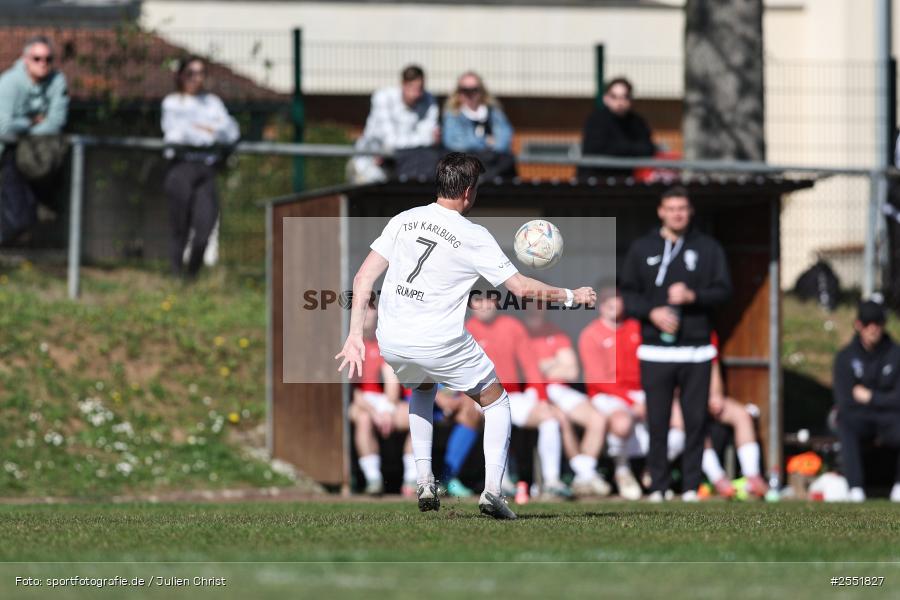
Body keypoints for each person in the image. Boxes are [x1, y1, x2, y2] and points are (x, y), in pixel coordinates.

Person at [335, 152, 596, 519]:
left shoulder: (404, 219)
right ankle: (493, 492)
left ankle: (424, 479)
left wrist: (353, 336)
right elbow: (521, 289)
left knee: (423, 388)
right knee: (496, 401)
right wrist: (571, 295)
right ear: (469, 191)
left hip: (392, 338)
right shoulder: (474, 235)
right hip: (438, 340)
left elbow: (363, 278)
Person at [621, 186, 732, 502]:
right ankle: (659, 486)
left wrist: (693, 296)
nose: (677, 214)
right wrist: (652, 313)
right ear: (661, 211)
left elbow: (724, 290)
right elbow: (628, 294)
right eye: (671, 208)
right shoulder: (642, 248)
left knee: (695, 421)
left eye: (682, 208)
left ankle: (691, 487)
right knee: (657, 421)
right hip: (655, 351)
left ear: (690, 211)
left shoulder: (708, 248)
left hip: (697, 350)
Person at [466, 291, 573, 499]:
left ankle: (552, 482)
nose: (485, 304)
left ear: (497, 302)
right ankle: (500, 483)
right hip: (478, 397)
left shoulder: (512, 326)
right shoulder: (465, 330)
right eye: (478, 300)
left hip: (511, 396)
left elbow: (530, 366)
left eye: (489, 299)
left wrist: (542, 399)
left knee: (549, 418)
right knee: (495, 417)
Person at [522, 301, 614, 497]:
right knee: (559, 418)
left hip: (560, 389)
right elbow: (523, 371)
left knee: (598, 418)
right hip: (531, 391)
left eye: (541, 303)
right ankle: (583, 476)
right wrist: (553, 363)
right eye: (532, 303)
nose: (537, 308)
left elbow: (571, 371)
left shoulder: (556, 332)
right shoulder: (519, 331)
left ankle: (583, 477)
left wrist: (543, 366)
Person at [161, 55, 239, 278]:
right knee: (180, 226)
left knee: (205, 227)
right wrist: (210, 130)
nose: (196, 78)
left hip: (206, 168)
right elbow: (178, 134)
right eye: (191, 73)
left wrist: (204, 130)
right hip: (182, 167)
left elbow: (231, 132)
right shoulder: (173, 103)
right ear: (181, 75)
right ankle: (176, 276)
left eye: (201, 73)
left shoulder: (212, 102)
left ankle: (191, 276)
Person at [578, 284, 650, 500]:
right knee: (621, 422)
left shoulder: (636, 328)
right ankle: (622, 470)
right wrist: (631, 401)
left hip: (638, 392)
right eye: (607, 299)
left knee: (677, 418)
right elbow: (598, 380)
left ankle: (654, 467)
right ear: (600, 305)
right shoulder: (591, 334)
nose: (613, 303)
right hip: (608, 394)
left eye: (617, 298)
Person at [0, 35, 69, 245]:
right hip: (8, 155)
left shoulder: (57, 81)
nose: (43, 63)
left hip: (37, 156)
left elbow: (56, 121)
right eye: (37, 58)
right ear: (26, 59)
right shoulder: (10, 83)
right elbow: (4, 128)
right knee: (17, 216)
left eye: (48, 59)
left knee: (32, 215)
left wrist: (23, 129)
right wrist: (31, 122)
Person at [832, 299, 900, 503]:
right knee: (845, 421)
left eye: (878, 323)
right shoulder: (845, 357)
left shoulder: (896, 354)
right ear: (858, 325)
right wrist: (885, 398)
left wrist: (870, 397)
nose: (873, 328)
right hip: (859, 416)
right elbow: (845, 400)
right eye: (868, 323)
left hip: (890, 418)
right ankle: (855, 488)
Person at [350, 302, 417, 496]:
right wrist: (374, 413)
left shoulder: (386, 343)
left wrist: (387, 410)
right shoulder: (351, 345)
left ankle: (411, 480)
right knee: (363, 419)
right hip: (363, 403)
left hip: (387, 401)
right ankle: (373, 479)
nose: (366, 315)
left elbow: (391, 383)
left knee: (416, 417)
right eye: (363, 311)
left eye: (370, 310)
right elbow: (353, 392)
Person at [696, 331, 768, 498]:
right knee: (694, 421)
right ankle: (718, 479)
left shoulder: (707, 333)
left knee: (742, 415)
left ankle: (752, 476)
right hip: (684, 400)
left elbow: (713, 366)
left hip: (707, 399)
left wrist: (716, 396)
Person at [349, 65, 440, 183]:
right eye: (412, 87)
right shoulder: (383, 97)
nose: (417, 94)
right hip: (368, 165)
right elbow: (391, 141)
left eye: (419, 88)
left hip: (405, 166)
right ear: (403, 84)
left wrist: (423, 140)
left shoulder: (429, 100)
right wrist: (426, 138)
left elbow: (429, 141)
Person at [442, 72, 516, 179]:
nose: (470, 94)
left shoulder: (494, 112)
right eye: (465, 90)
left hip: (494, 163)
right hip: (467, 169)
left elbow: (505, 139)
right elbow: (454, 143)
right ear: (458, 92)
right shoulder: (453, 114)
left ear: (481, 91)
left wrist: (487, 147)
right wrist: (485, 141)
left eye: (474, 90)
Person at [578, 77, 655, 180]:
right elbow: (594, 150)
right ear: (606, 98)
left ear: (631, 100)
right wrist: (629, 149)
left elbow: (648, 149)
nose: (620, 102)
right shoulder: (596, 120)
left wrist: (619, 148)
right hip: (596, 179)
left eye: (624, 97)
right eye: (614, 97)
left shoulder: (637, 122)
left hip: (627, 179)